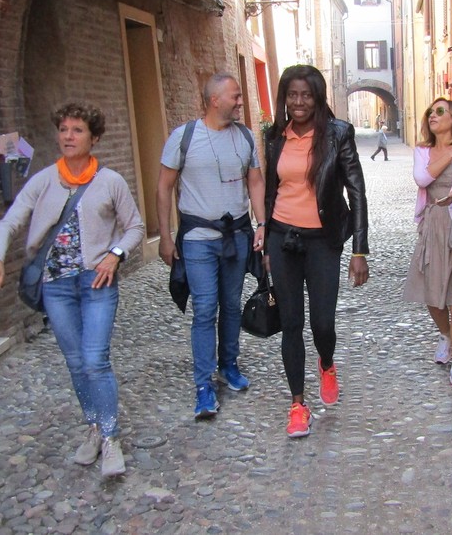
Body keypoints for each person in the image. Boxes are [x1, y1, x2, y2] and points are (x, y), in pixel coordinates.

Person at [0, 103, 144, 478]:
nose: (68, 136)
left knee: (95, 360)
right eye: (64, 130)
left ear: (94, 138)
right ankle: (94, 426)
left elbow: (135, 227)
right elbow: (9, 223)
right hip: (56, 286)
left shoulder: (110, 182)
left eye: (77, 130)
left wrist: (115, 255)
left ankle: (111, 437)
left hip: (97, 282)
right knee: (75, 362)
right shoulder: (44, 181)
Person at [263, 64, 369, 438]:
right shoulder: (274, 136)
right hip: (283, 239)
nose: (299, 102)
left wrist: (359, 250)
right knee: (291, 323)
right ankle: (298, 405)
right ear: (284, 98)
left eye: (306, 95)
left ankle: (326, 362)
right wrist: (265, 238)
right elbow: (270, 191)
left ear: (318, 98)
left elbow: (356, 191)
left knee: (322, 323)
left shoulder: (338, 133)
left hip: (323, 241)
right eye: (292, 94)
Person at [156, 74, 265, 420]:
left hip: (237, 236)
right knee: (205, 309)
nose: (240, 102)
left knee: (231, 305)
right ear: (215, 100)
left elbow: (255, 182)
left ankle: (228, 364)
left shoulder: (245, 136)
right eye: (235, 96)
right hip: (198, 239)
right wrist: (165, 235)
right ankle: (203, 384)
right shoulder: (184, 137)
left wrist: (262, 224)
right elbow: (164, 187)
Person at [403, 98, 452, 394]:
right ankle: (445, 334)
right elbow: (422, 178)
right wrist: (451, 153)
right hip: (435, 225)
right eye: (430, 112)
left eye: (439, 112)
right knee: (434, 296)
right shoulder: (423, 151)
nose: (432, 116)